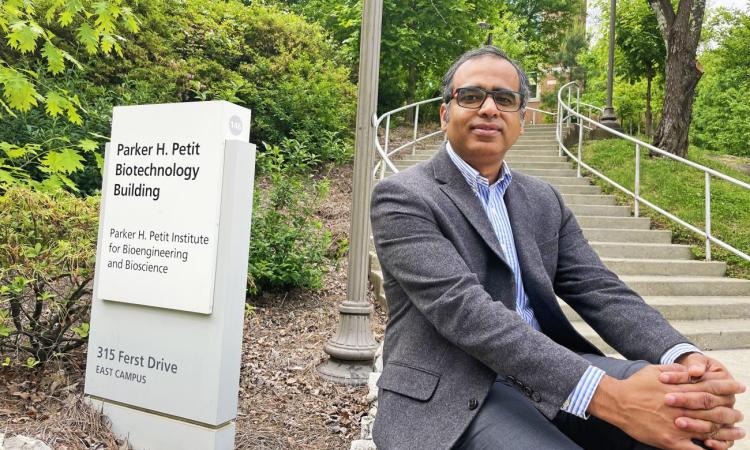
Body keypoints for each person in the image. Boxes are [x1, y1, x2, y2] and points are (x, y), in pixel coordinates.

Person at [369, 46, 746, 450]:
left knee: (686, 414)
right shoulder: (403, 197)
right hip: (449, 392)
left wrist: (684, 359)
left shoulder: (543, 200)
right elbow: (466, 313)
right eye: (471, 96)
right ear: (446, 114)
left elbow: (600, 290)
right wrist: (611, 398)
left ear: (522, 119)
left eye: (505, 99)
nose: (489, 109)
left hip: (547, 375)